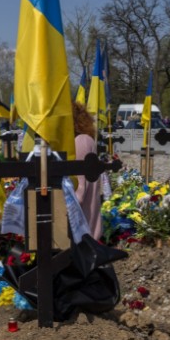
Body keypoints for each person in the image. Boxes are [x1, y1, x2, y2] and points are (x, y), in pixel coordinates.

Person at [71, 102, 102, 240]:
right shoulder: (83, 139)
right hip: (85, 228)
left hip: (83, 231)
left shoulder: (81, 141)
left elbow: (79, 191)